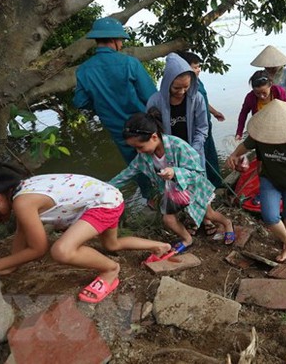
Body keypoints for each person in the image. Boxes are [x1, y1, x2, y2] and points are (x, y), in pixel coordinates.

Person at [0, 164, 170, 303]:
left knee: (62, 251)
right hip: (107, 196)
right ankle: (158, 246)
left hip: (103, 204)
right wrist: (9, 265)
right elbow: (21, 235)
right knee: (112, 245)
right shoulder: (20, 190)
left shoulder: (22, 202)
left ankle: (110, 271)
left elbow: (38, 249)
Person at [109, 109, 235, 250]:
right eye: (135, 148)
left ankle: (227, 223)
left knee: (209, 214)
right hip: (171, 192)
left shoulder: (179, 146)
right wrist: (106, 187)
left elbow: (197, 172)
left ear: (154, 137)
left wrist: (175, 172)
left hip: (192, 187)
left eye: (140, 147)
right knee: (168, 219)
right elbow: (128, 173)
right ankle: (187, 239)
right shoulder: (143, 157)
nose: (138, 152)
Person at [74, 17, 155, 208]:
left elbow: (80, 101)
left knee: (136, 165)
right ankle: (172, 198)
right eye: (121, 40)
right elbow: (151, 97)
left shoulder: (84, 70)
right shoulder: (130, 63)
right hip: (144, 125)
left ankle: (151, 199)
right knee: (158, 157)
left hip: (119, 130)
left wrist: (101, 103)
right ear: (114, 40)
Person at [226, 100, 286, 262]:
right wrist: (234, 155)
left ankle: (285, 239)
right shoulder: (261, 135)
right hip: (270, 180)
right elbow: (245, 146)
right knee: (269, 216)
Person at [147, 53, 208, 167]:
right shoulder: (154, 102)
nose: (181, 92)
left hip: (194, 153)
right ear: (167, 83)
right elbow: (152, 133)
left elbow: (202, 128)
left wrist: (193, 151)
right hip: (167, 156)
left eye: (186, 87)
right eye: (176, 88)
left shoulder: (197, 99)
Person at [176, 51, 225, 189]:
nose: (198, 70)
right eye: (195, 67)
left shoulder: (198, 83)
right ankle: (202, 187)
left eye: (199, 67)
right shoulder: (184, 86)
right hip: (196, 129)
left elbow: (203, 101)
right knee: (199, 158)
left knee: (211, 155)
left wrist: (215, 112)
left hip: (205, 125)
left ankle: (216, 183)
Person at [235, 70, 286, 140]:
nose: (261, 96)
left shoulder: (278, 92)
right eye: (257, 93)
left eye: (264, 93)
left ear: (270, 85)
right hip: (260, 130)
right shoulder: (250, 97)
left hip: (279, 127)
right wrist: (239, 133)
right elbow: (243, 114)